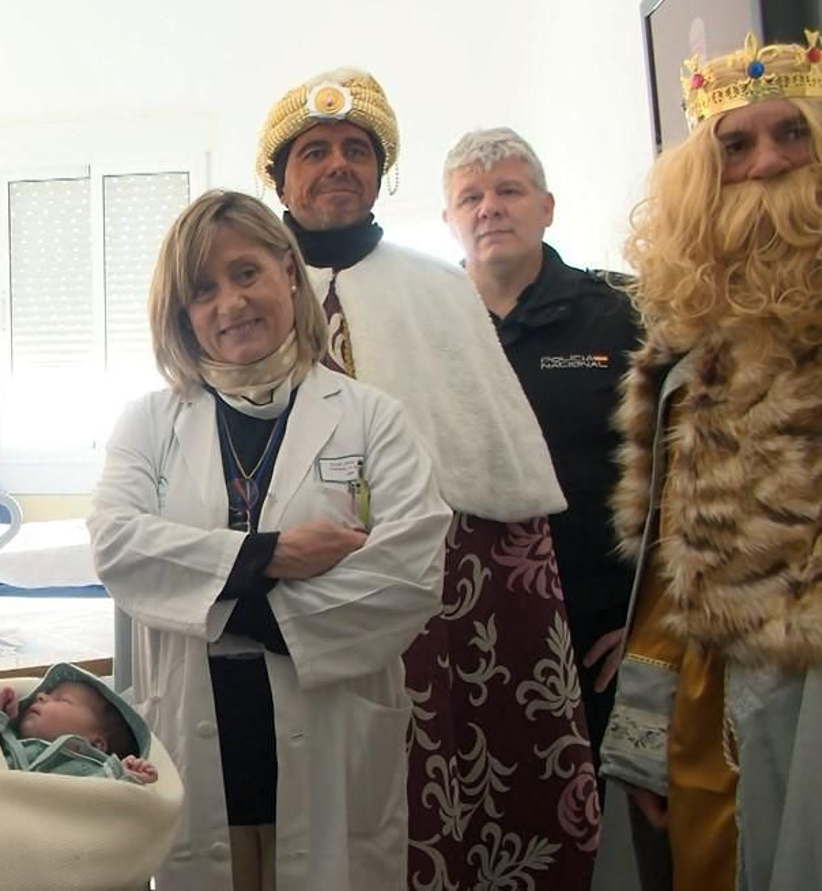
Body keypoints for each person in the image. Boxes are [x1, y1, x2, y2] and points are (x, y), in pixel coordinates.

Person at [255, 68, 600, 888]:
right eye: (314, 151)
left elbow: (497, 464)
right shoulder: (241, 290)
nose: (337, 164)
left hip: (442, 591)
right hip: (282, 581)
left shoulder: (441, 290)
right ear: (278, 175)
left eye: (355, 150)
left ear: (381, 172)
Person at [89, 189, 453, 890]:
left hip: (331, 736)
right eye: (202, 290)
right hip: (199, 734)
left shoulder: (373, 417)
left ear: (289, 271)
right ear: (181, 314)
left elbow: (410, 571)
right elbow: (117, 544)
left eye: (246, 272)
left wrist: (221, 602)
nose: (230, 303)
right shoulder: (148, 423)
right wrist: (272, 556)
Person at [600, 32, 822, 891]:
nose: (767, 163)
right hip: (721, 699)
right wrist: (651, 740)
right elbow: (667, 568)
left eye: (791, 135)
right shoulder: (686, 361)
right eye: (736, 145)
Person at [441, 127, 643, 783]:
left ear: (546, 206)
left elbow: (679, 473)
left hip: (603, 633)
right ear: (450, 220)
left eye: (508, 191)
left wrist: (653, 621)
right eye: (470, 197)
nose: (489, 208)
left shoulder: (624, 313)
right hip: (468, 635)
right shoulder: (428, 327)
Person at [0, 662, 158, 784]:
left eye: (61, 699)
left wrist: (125, 775)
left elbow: (98, 802)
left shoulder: (88, 770)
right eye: (47, 693)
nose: (41, 696)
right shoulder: (9, 739)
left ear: (96, 744)